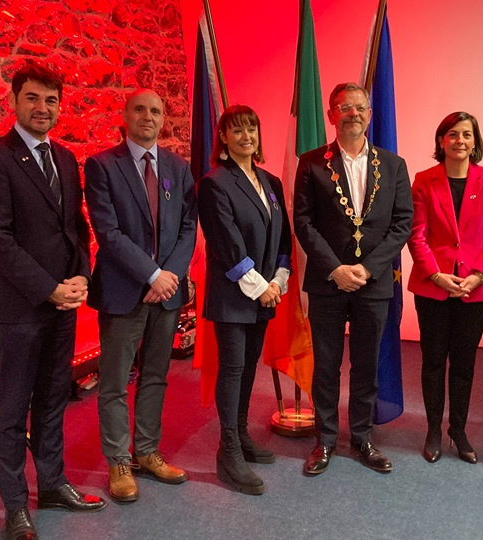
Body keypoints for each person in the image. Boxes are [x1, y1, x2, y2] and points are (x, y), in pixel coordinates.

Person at [0, 64, 105, 540]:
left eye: (50, 100)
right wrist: (50, 287)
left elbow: (77, 229)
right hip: (18, 308)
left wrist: (82, 278)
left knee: (52, 401)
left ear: (59, 105)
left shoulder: (66, 159)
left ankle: (51, 484)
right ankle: (15, 507)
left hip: (63, 305)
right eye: (32, 98)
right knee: (11, 410)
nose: (42, 108)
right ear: (14, 101)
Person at [293, 82, 413, 476]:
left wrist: (367, 269)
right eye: (344, 107)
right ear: (331, 115)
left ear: (370, 114)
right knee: (326, 366)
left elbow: (402, 224)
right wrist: (335, 269)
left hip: (374, 283)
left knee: (365, 365)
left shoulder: (394, 165)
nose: (353, 114)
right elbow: (304, 222)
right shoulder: (311, 162)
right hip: (328, 283)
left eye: (359, 107)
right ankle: (325, 441)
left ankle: (362, 438)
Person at [84, 89, 197, 502]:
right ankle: (118, 460)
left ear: (163, 118)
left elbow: (188, 227)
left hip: (166, 294)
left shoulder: (177, 167)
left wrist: (169, 277)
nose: (147, 116)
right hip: (123, 291)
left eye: (155, 110)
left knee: (155, 376)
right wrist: (151, 274)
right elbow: (107, 231)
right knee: (114, 381)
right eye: (140, 109)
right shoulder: (101, 166)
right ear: (126, 114)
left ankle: (146, 451)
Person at [197, 104, 292, 495]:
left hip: (265, 293)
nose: (246, 137)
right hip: (235, 294)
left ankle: (240, 433)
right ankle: (228, 448)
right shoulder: (215, 183)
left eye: (251, 129)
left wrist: (279, 279)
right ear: (224, 138)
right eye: (236, 130)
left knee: (249, 366)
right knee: (233, 369)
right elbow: (227, 245)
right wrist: (261, 285)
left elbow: (283, 237)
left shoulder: (270, 182)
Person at [407, 112, 483, 465]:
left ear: (475, 142)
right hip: (433, 287)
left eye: (467, 134)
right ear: (441, 141)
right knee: (433, 361)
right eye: (452, 134)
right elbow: (416, 235)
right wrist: (436, 275)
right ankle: (434, 428)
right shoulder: (423, 180)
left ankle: (458, 429)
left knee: (464, 362)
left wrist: (479, 275)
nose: (459, 140)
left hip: (474, 288)